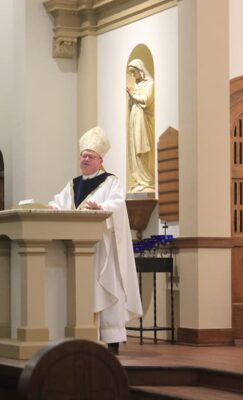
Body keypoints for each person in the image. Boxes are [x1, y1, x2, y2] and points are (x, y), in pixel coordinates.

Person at [48, 126, 142, 354]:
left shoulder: (111, 182)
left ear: (100, 161)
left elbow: (117, 205)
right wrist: (52, 207)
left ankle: (110, 340)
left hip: (101, 249)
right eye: (83, 155)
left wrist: (101, 208)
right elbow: (59, 203)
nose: (85, 159)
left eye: (90, 156)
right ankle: (82, 337)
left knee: (104, 287)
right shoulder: (73, 184)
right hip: (76, 249)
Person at [126, 58, 155, 193]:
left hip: (143, 121)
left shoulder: (150, 84)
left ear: (140, 70)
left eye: (134, 72)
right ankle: (139, 179)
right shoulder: (137, 86)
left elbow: (146, 100)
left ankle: (147, 180)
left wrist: (132, 95)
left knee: (142, 147)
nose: (133, 75)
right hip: (134, 119)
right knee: (135, 148)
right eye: (131, 73)